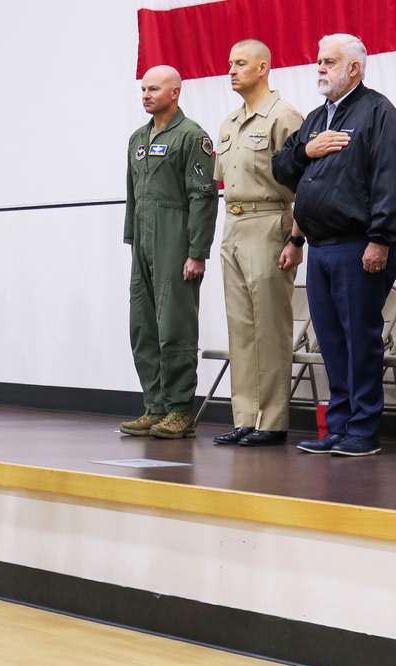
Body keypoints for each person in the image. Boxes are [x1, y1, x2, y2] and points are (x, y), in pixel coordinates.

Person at [272, 34, 396, 457]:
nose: (319, 68)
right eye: (318, 61)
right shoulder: (316, 119)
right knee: (332, 341)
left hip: (359, 246)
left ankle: (364, 430)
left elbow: (391, 180)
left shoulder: (378, 112)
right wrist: (307, 152)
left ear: (353, 68)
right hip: (322, 247)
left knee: (360, 341)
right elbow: (281, 167)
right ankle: (338, 426)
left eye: (328, 62)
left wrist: (381, 239)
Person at [212, 40, 304, 447]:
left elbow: (304, 184)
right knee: (242, 328)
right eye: (230, 63)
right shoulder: (230, 122)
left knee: (269, 326)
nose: (231, 69)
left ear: (263, 67)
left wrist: (296, 238)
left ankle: (273, 420)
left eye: (241, 63)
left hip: (269, 221)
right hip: (233, 225)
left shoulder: (284, 116)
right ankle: (246, 415)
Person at [120, 65, 218, 439]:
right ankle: (155, 405)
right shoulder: (137, 139)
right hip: (143, 244)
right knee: (143, 325)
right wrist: (132, 239)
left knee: (175, 325)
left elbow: (203, 196)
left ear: (175, 92)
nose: (146, 94)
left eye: (154, 89)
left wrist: (197, 251)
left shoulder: (192, 136)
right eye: (143, 89)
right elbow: (132, 194)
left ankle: (179, 409)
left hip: (175, 241)